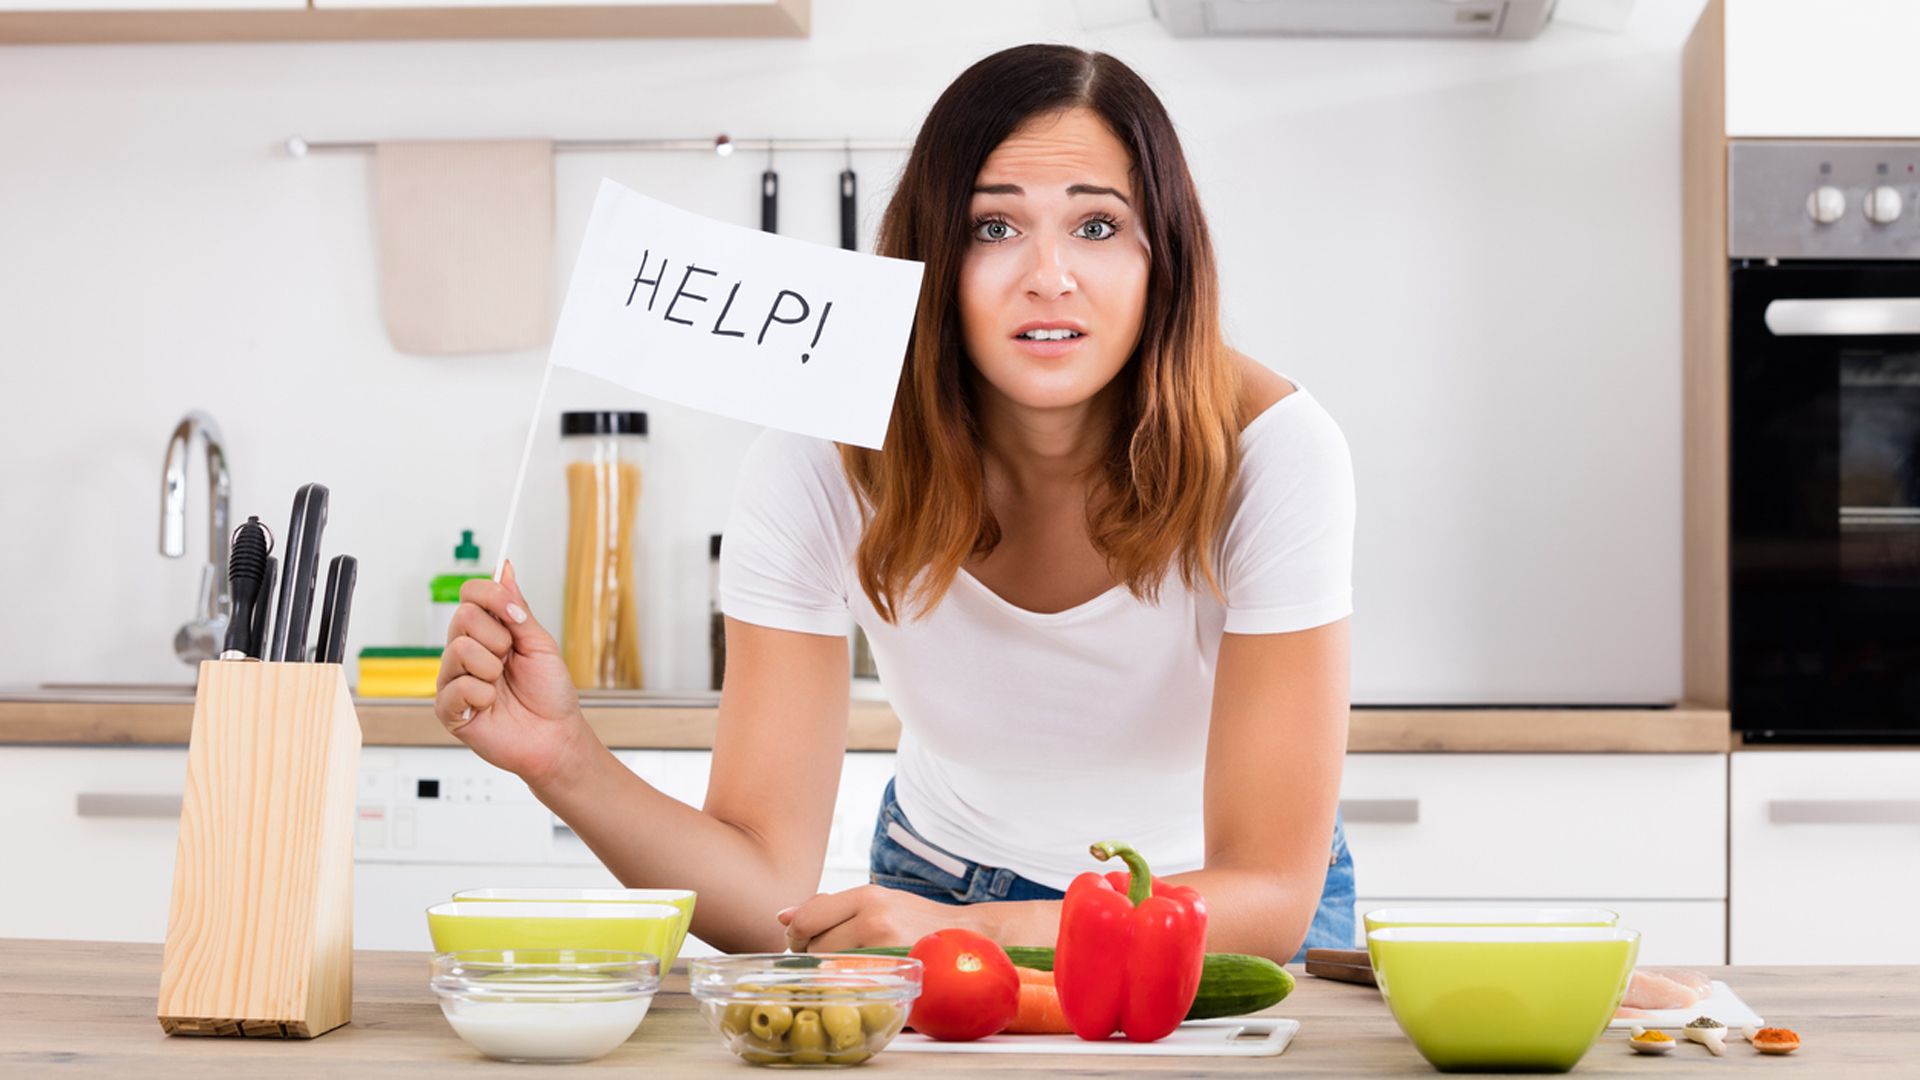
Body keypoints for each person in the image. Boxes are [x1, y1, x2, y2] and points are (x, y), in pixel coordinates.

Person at [435, 43, 1356, 964]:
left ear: (1167, 255)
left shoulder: (1271, 454)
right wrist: (567, 761)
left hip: (1202, 910)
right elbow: (765, 890)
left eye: (1098, 226)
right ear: (932, 258)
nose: (1048, 274)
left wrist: (979, 934)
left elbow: (1270, 890)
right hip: (942, 883)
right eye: (994, 228)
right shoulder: (817, 462)